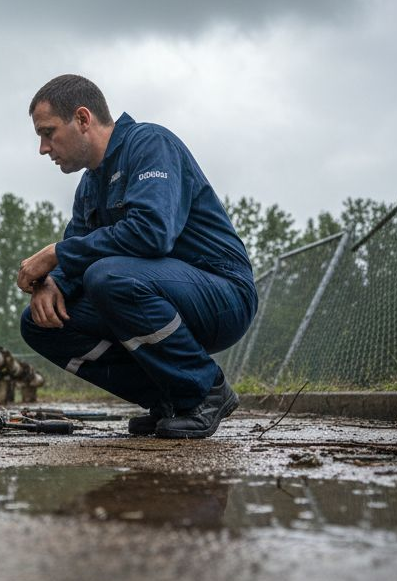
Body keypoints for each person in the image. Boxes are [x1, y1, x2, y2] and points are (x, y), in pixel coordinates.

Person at [17, 74, 258, 439]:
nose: (43, 148)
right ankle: (171, 397)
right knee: (40, 322)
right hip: (153, 293)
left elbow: (152, 233)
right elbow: (76, 253)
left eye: (48, 133)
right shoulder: (89, 186)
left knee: (108, 276)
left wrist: (55, 254)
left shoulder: (149, 144)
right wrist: (51, 283)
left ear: (83, 119)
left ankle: (205, 390)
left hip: (222, 294)